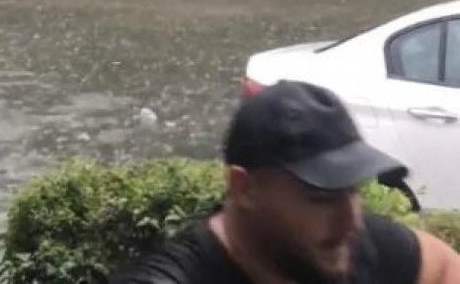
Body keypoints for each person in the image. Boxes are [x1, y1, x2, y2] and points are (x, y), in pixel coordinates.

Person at [108, 80, 460, 284]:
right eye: (319, 196)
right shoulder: (179, 276)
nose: (349, 220)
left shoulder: (351, 246)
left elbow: (443, 268)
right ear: (244, 188)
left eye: (350, 189)